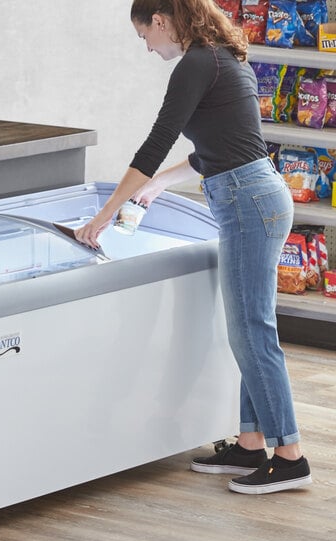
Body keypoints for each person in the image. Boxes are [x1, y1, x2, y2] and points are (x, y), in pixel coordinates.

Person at [74, 0, 312, 495]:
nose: (146, 46)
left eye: (144, 35)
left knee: (251, 329)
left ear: (160, 20)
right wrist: (158, 185)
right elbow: (218, 149)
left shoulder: (195, 64)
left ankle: (289, 456)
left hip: (248, 202)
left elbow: (156, 140)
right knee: (250, 327)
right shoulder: (222, 56)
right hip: (256, 195)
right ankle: (251, 442)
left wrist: (103, 214)